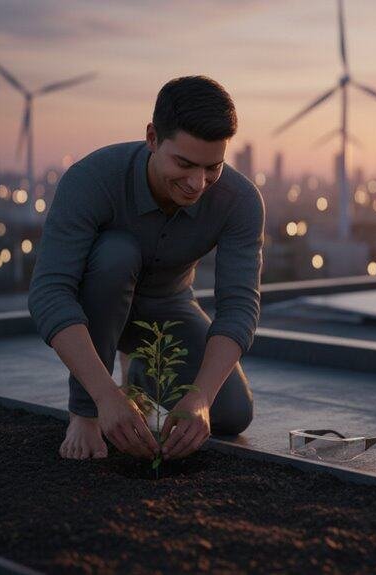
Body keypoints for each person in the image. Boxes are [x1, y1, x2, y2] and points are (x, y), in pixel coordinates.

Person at [28, 76, 263, 462]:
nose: (197, 184)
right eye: (184, 164)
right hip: (97, 304)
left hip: (168, 307)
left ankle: (138, 374)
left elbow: (239, 306)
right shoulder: (91, 179)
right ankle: (84, 411)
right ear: (152, 137)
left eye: (212, 168)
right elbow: (48, 292)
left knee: (233, 413)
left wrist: (200, 398)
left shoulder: (240, 201)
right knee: (116, 253)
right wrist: (101, 400)